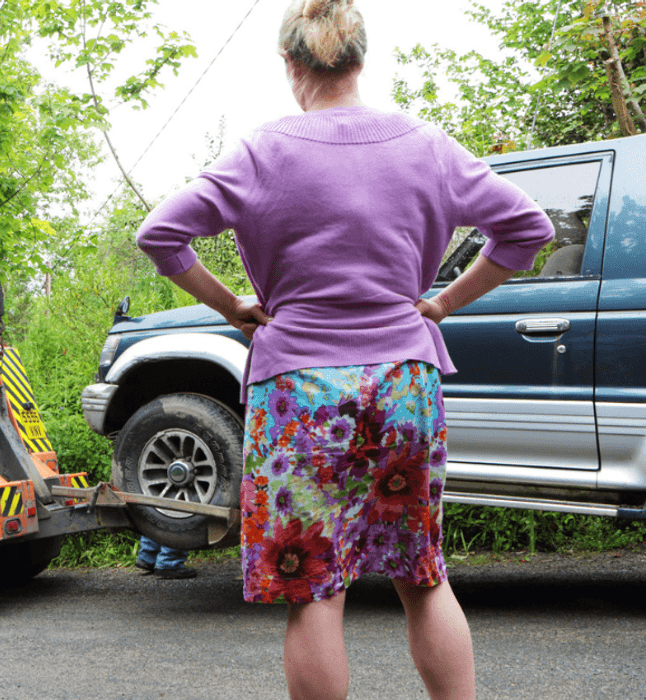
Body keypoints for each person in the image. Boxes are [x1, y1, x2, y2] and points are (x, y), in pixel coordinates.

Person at [133, 1, 554, 698]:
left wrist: (231, 305)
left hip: (299, 385)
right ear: (358, 59)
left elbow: (159, 234)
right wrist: (443, 301)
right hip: (403, 380)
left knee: (314, 587)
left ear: (289, 62)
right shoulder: (425, 144)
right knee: (421, 574)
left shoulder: (262, 150)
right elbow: (526, 228)